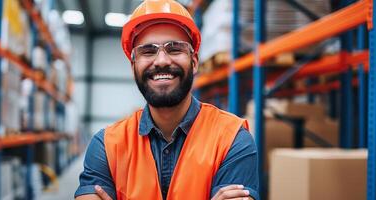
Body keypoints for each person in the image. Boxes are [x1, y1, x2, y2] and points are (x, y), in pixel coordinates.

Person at [75, 0, 259, 199]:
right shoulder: (106, 146)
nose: (161, 61)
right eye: (148, 51)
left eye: (175, 49)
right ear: (133, 67)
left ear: (194, 62)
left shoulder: (232, 139)